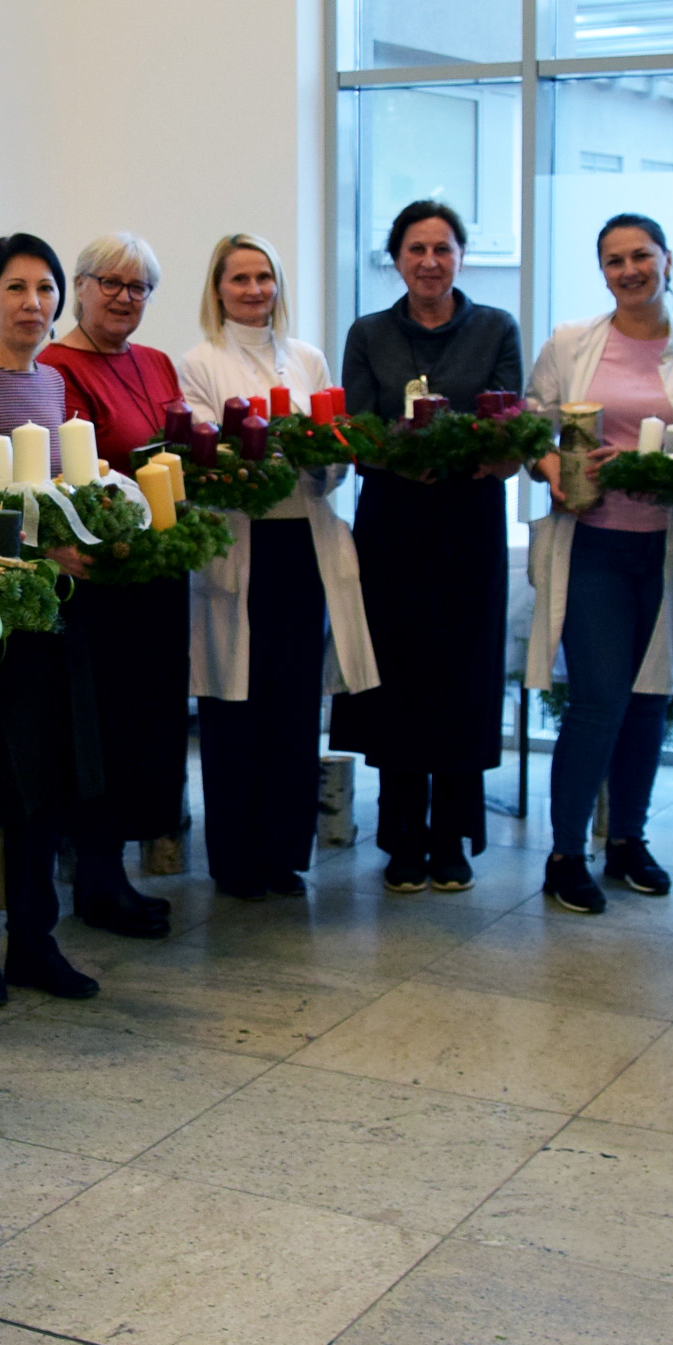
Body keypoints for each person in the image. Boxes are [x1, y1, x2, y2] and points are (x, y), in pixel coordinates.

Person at [178, 233, 377, 898]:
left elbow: (335, 453)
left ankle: (285, 852)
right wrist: (258, 459)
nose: (254, 289)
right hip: (239, 547)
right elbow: (205, 455)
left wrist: (324, 458)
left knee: (293, 706)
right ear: (218, 289)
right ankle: (235, 859)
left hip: (303, 547)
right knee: (235, 703)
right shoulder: (200, 362)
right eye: (239, 278)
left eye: (264, 277)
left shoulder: (308, 358)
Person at [524, 215, 673, 913]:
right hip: (594, 541)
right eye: (614, 260)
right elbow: (529, 422)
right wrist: (549, 466)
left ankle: (628, 840)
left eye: (641, 256)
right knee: (599, 699)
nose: (629, 270)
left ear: (665, 261)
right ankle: (566, 852)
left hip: (667, 546)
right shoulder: (572, 341)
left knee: (651, 695)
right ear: (602, 271)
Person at [334, 200, 521, 892]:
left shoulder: (496, 327)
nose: (430, 261)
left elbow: (510, 418)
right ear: (396, 258)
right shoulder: (369, 333)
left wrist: (483, 455)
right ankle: (402, 836)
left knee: (464, 677)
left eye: (443, 249)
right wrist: (402, 459)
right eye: (416, 249)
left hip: (470, 518)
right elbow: (355, 426)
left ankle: (453, 837)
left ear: (461, 257)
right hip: (395, 520)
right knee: (401, 678)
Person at [0, 234, 103, 1002]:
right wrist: (42, 554)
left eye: (45, 289)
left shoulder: (55, 383)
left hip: (51, 611)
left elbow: (65, 490)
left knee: (45, 784)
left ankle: (35, 942)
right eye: (16, 287)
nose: (33, 304)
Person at [38, 233, 191, 931]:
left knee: (150, 725)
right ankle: (98, 879)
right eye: (111, 283)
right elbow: (77, 475)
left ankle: (119, 869)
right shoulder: (57, 367)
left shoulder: (156, 362)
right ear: (80, 286)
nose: (125, 297)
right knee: (106, 727)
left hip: (158, 573)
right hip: (102, 578)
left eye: (139, 287)